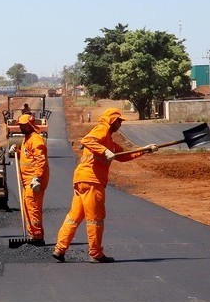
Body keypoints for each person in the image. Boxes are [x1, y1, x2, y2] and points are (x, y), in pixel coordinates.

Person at [52, 108, 158, 263]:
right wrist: (105, 151)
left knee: (73, 217)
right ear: (112, 120)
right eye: (119, 121)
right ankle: (95, 253)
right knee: (95, 218)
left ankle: (60, 249)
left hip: (81, 180)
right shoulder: (102, 129)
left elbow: (124, 156)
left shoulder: (109, 140)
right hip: (92, 181)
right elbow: (87, 140)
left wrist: (144, 150)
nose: (120, 124)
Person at [8, 114, 49, 246]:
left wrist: (37, 177)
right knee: (28, 207)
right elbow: (28, 158)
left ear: (30, 125)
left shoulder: (36, 140)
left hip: (34, 181)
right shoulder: (27, 139)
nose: (21, 127)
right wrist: (17, 152)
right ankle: (32, 234)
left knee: (33, 208)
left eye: (23, 125)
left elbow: (40, 160)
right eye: (20, 125)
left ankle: (37, 236)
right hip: (27, 181)